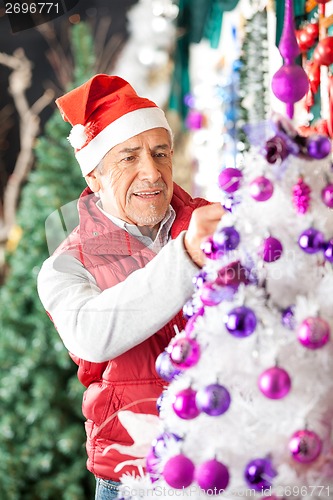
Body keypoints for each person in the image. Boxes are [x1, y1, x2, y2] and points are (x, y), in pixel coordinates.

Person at [37, 74, 224, 499]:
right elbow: (92, 336)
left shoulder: (212, 222)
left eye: (161, 153)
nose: (151, 172)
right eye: (127, 157)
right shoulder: (65, 265)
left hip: (225, 461)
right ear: (95, 175)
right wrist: (187, 255)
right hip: (134, 477)